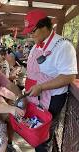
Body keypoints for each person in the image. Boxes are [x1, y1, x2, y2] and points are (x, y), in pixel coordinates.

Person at [23, 10, 77, 152]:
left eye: (33, 30)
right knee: (35, 130)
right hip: (35, 95)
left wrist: (41, 87)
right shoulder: (36, 45)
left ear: (45, 27)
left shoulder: (63, 46)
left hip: (51, 98)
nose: (30, 34)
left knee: (43, 136)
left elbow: (69, 76)